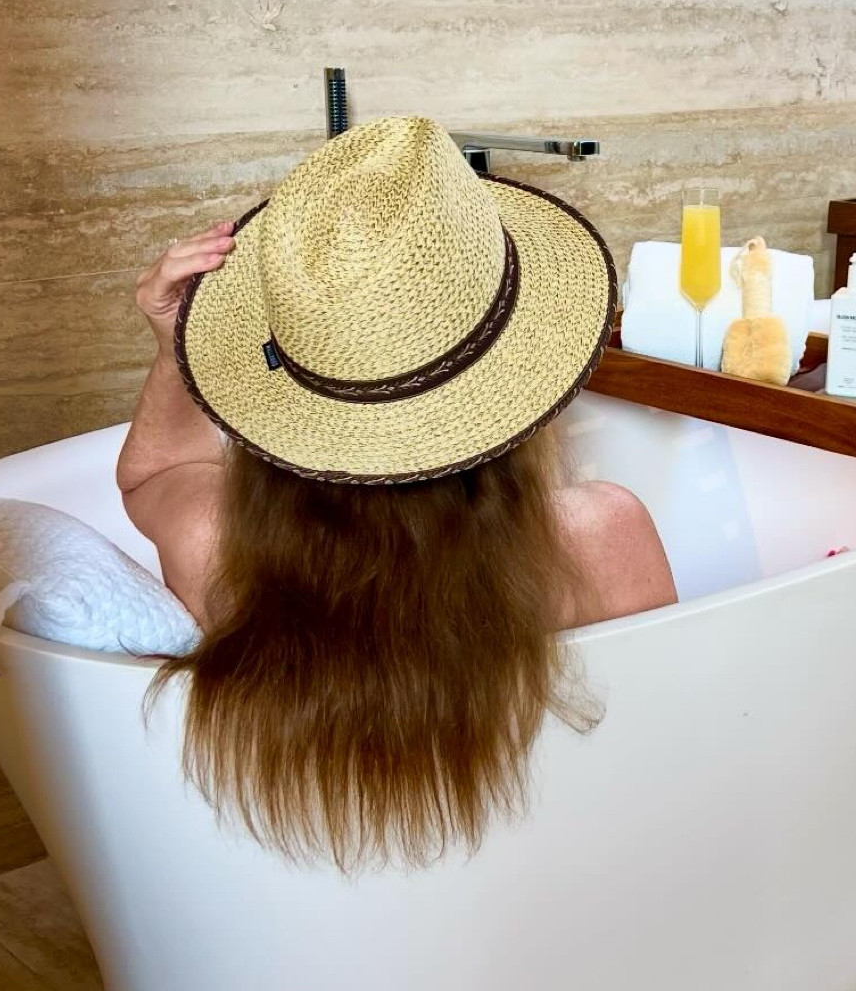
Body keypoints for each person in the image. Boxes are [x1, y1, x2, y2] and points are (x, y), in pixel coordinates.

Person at [118, 114, 675, 866]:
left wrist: (171, 345)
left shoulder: (215, 547)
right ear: (519, 384)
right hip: (563, 892)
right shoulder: (599, 533)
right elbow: (666, 742)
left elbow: (152, 476)